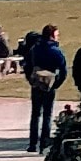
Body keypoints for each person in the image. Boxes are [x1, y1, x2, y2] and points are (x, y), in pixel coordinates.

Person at [20, 24, 68, 153]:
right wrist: (57, 83)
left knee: (35, 114)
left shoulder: (35, 49)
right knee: (47, 114)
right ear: (52, 35)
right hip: (49, 84)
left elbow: (27, 65)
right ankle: (44, 144)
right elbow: (63, 70)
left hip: (36, 83)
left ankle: (32, 143)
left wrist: (31, 79)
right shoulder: (56, 51)